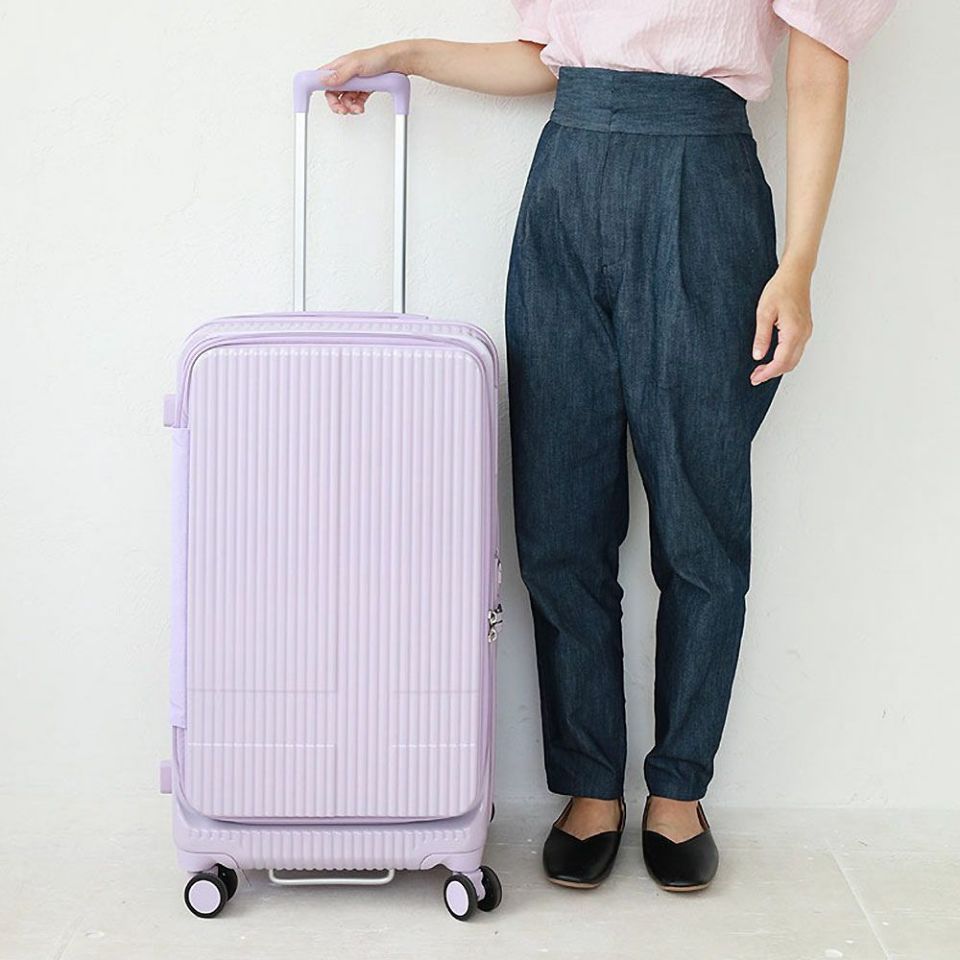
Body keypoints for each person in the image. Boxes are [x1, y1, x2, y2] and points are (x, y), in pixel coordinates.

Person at [319, 0, 895, 893]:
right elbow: (546, 58)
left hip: (702, 189)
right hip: (566, 185)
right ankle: (590, 785)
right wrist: (407, 53)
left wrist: (799, 265)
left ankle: (679, 790)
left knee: (700, 522)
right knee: (559, 517)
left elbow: (819, 70)